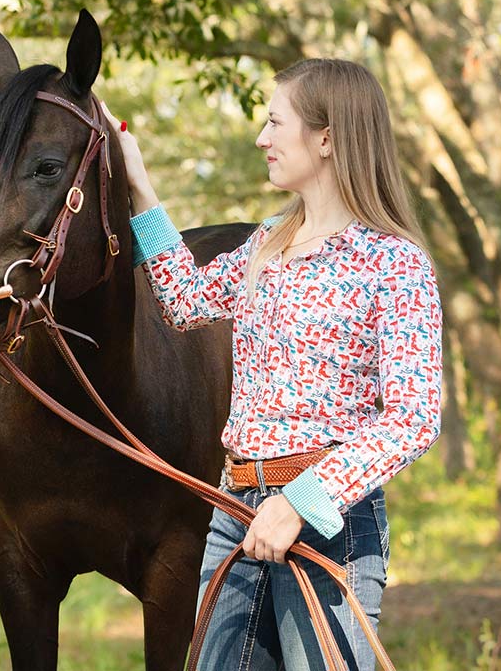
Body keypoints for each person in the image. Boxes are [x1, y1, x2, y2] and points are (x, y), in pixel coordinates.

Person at [103, 58, 442, 669]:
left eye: (273, 121)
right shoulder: (268, 245)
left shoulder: (395, 264)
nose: (261, 138)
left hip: (330, 527)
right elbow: (184, 303)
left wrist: (301, 501)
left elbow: (414, 417)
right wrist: (140, 187)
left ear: (327, 137)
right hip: (234, 514)